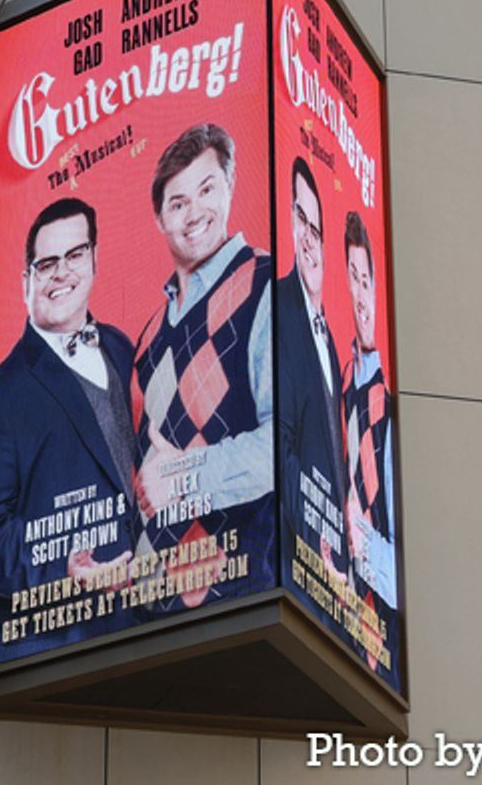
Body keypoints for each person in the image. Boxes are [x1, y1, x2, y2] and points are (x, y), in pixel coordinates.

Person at [0, 197, 136, 666]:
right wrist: (61, 568)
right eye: (46, 264)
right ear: (26, 281)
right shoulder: (0, 395)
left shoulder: (121, 348)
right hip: (51, 649)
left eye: (74, 256)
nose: (62, 273)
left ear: (94, 259)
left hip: (134, 628)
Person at [132, 122, 273, 612]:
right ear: (159, 219)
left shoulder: (267, 284)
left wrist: (189, 477)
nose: (195, 213)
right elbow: (146, 479)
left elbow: (287, 445)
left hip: (245, 598)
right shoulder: (147, 339)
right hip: (154, 614)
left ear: (230, 188)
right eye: (178, 202)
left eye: (207, 189)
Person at [276, 156, 348, 624]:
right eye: (299, 218)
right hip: (291, 564)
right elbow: (275, 448)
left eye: (315, 228)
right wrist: (313, 540)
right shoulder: (277, 304)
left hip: (329, 580)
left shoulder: (331, 343)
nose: (307, 236)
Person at [341, 210, 399, 684]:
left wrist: (362, 546)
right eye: (353, 279)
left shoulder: (391, 411)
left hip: (384, 651)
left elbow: (407, 580)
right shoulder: (338, 387)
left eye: (367, 281)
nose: (361, 295)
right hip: (336, 620)